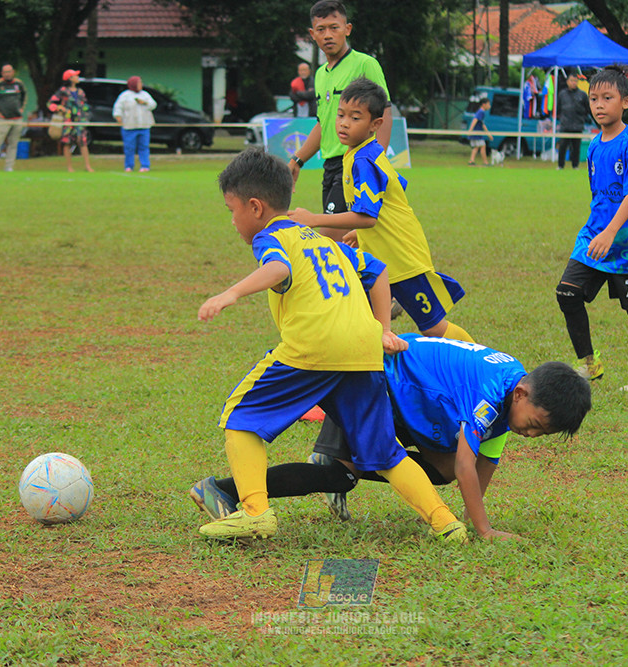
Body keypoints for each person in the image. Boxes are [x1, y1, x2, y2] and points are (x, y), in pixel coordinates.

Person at [195, 147, 466, 544]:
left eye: (230, 210)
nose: (232, 220)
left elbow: (278, 269)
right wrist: (383, 329)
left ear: (255, 207)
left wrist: (230, 294)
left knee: (239, 417)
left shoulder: (273, 237)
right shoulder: (322, 240)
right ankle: (446, 523)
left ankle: (255, 512)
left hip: (314, 346)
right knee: (385, 451)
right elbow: (377, 270)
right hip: (363, 350)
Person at [191, 334, 593, 541]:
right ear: (522, 394)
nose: (531, 433)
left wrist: (474, 520)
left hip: (404, 396)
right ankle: (222, 490)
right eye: (536, 423)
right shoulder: (493, 392)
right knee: (342, 475)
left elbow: (484, 461)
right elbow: (469, 461)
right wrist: (485, 532)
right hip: (377, 379)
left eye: (542, 433)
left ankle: (334, 455)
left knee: (443, 468)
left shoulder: (512, 392)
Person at [290, 78, 474, 343]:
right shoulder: (364, 153)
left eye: (355, 118)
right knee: (366, 317)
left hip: (402, 259)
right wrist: (358, 232)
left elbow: (368, 215)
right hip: (383, 258)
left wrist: (314, 218)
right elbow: (393, 190)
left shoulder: (363, 159)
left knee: (433, 328)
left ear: (375, 125)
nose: (343, 123)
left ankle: (483, 362)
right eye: (340, 115)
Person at [555, 64, 628, 392]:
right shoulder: (593, 146)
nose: (599, 105)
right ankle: (589, 363)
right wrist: (598, 231)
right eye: (593, 98)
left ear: (627, 102)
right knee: (567, 292)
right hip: (595, 235)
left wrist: (610, 233)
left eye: (607, 97)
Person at [287, 1, 392, 240]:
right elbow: (323, 124)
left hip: (355, 163)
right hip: (331, 167)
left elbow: (384, 114)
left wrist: (376, 163)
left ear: (348, 28)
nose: (328, 35)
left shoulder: (366, 64)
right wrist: (297, 159)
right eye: (321, 29)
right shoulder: (321, 74)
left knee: (329, 238)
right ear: (312, 35)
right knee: (349, 245)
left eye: (334, 27)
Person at [0, 64, 27, 172]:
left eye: (9, 71)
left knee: (13, 143)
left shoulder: (18, 83)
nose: (8, 74)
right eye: (5, 72)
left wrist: (22, 108)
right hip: (3, 118)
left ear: (13, 72)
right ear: (2, 73)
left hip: (17, 118)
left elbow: (24, 95)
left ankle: (9, 166)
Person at [48, 70, 93, 173]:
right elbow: (50, 103)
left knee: (83, 141)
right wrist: (59, 108)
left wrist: (86, 115)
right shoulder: (63, 91)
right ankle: (69, 167)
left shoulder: (81, 91)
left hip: (80, 120)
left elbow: (85, 105)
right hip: (68, 120)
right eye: (75, 76)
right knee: (67, 142)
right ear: (70, 78)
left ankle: (87, 166)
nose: (78, 77)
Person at [113, 76, 156, 172]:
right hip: (129, 126)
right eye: (139, 83)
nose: (141, 85)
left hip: (144, 126)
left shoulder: (145, 95)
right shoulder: (125, 95)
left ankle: (145, 166)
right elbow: (118, 107)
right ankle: (129, 166)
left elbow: (153, 104)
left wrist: (144, 103)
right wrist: (118, 117)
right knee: (129, 148)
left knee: (144, 147)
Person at [555, 73, 591, 170]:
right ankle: (560, 165)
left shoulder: (582, 95)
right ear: (567, 82)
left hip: (577, 125)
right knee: (562, 146)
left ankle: (575, 166)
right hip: (565, 125)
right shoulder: (562, 94)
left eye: (575, 81)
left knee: (576, 148)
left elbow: (588, 109)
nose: (573, 83)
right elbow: (558, 109)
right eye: (572, 81)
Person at [466, 97, 492, 166]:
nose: (489, 106)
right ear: (484, 104)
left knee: (476, 147)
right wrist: (470, 130)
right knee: (483, 146)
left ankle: (471, 161)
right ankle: (485, 162)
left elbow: (482, 124)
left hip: (477, 133)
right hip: (476, 133)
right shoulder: (481, 112)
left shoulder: (481, 112)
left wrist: (488, 134)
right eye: (488, 104)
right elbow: (475, 120)